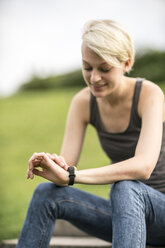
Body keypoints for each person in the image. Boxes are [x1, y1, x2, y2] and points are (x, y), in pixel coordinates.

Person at [17, 19, 165, 248]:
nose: (94, 77)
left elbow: (142, 167)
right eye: (87, 67)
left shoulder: (149, 95)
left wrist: (73, 175)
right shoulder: (83, 102)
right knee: (45, 193)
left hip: (160, 214)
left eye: (104, 68)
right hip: (125, 218)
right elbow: (65, 172)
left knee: (125, 187)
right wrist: (53, 164)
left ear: (126, 63)